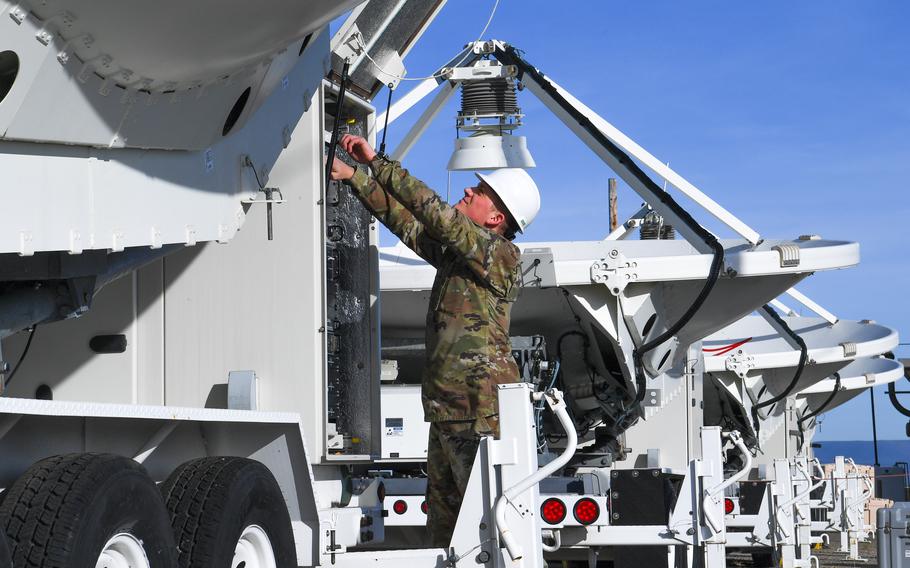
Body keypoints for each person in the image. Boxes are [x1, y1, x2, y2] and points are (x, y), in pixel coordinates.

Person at [329, 134, 541, 547]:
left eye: (479, 192)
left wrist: (378, 162)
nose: (467, 190)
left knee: (491, 525)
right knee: (446, 531)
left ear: (497, 219)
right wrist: (354, 176)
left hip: (477, 411)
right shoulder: (460, 256)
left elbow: (435, 213)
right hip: (447, 409)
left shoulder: (500, 255)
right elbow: (408, 224)